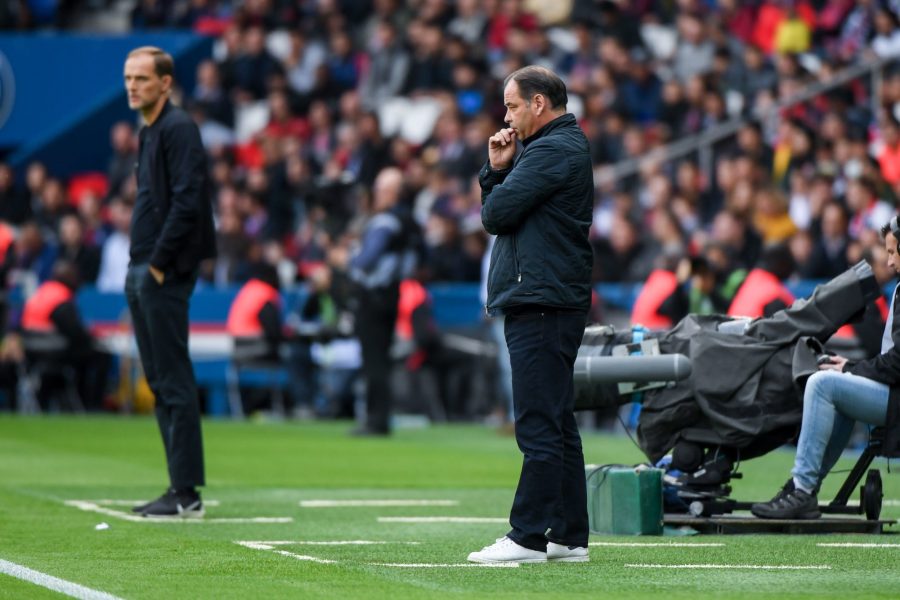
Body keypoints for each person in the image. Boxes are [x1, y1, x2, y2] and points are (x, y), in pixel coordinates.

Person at [468, 65, 593, 564]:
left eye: (512, 105)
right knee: (558, 420)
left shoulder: (551, 150)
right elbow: (502, 211)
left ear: (539, 104)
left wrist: (498, 174)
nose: (506, 116)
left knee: (540, 423)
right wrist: (499, 171)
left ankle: (526, 536)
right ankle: (568, 535)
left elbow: (495, 216)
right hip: (550, 298)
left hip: (541, 301)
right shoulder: (556, 147)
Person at [751, 217, 900, 520]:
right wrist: (851, 368)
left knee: (823, 384)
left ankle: (803, 489)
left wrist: (852, 369)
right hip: (892, 392)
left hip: (896, 397)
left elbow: (897, 364)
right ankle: (802, 488)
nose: (890, 261)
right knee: (834, 383)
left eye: (894, 252)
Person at [122, 47, 216, 518]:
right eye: (128, 78)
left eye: (142, 77)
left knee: (172, 377)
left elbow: (187, 201)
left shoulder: (178, 128)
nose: (133, 86)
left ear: (166, 83)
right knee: (160, 380)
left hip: (162, 271)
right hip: (143, 267)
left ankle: (186, 492)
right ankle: (179, 488)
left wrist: (157, 264)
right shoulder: (150, 130)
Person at [341, 166, 417, 436]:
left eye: (382, 189)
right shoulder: (406, 220)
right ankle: (379, 417)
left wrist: (348, 257)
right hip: (389, 294)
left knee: (373, 360)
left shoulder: (386, 221)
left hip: (374, 296)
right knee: (380, 359)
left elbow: (366, 260)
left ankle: (375, 420)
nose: (377, 195)